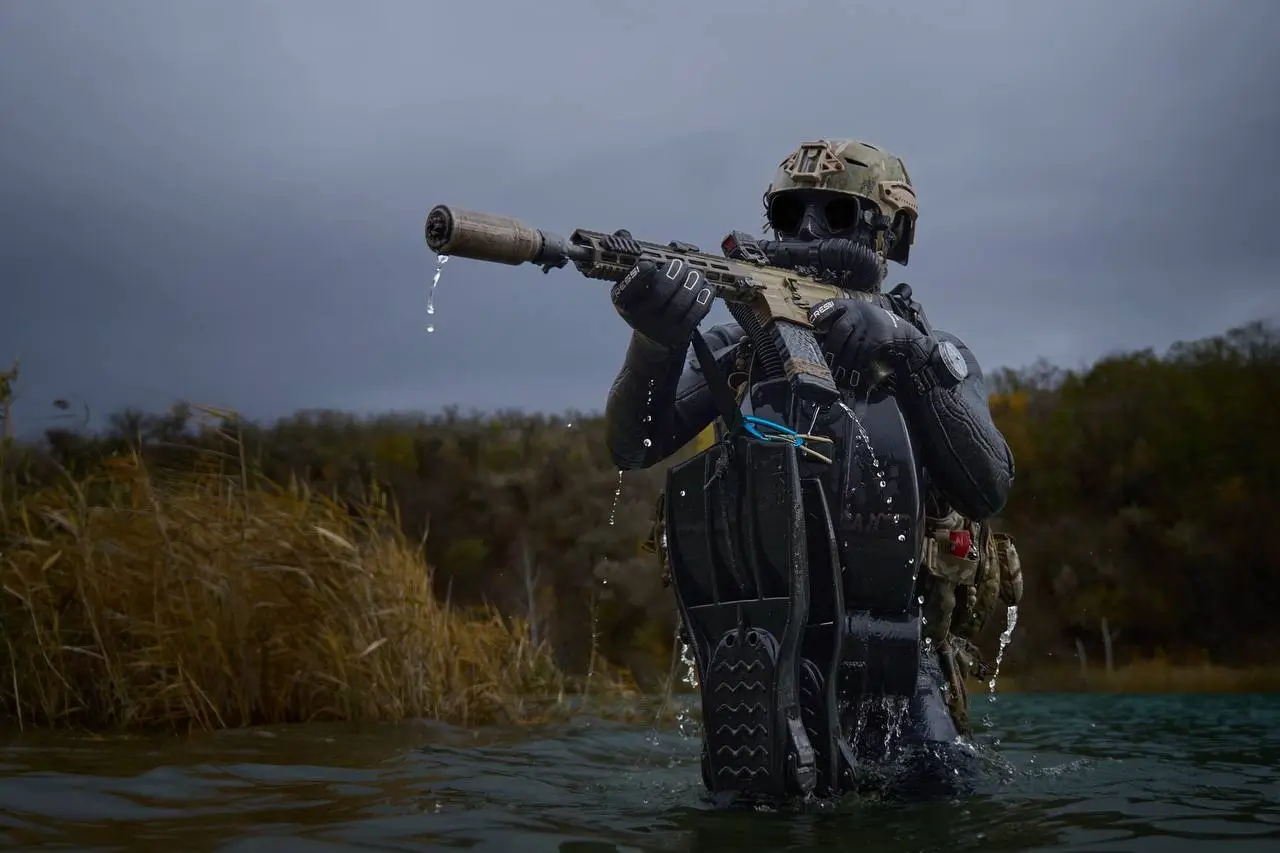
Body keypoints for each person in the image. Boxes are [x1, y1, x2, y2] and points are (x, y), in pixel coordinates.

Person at [603, 139, 1023, 804]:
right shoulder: (737, 342)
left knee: (941, 792)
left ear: (892, 234)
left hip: (906, 661)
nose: (806, 231)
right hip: (766, 659)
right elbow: (633, 442)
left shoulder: (933, 349)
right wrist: (654, 340)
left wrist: (908, 354)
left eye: (835, 214)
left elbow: (988, 481)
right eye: (790, 214)